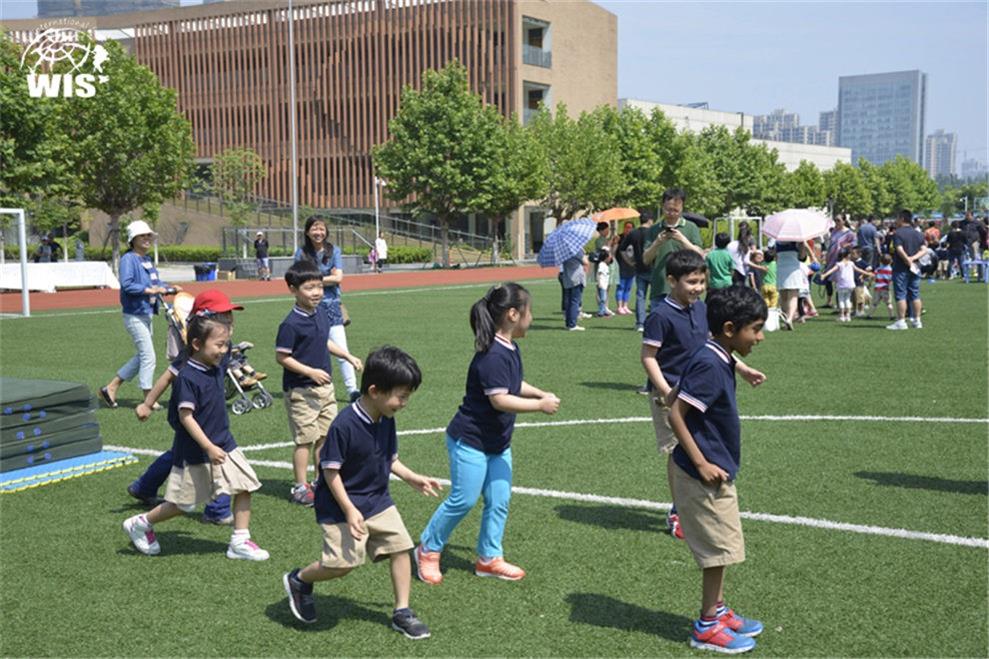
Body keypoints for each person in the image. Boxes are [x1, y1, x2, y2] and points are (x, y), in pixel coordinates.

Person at [282, 347, 441, 638]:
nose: (404, 403)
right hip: (340, 505)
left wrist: (412, 478)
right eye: (401, 396)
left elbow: (389, 458)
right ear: (375, 391)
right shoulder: (344, 425)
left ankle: (402, 611)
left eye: (408, 396)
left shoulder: (386, 417)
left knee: (401, 547)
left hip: (377, 499)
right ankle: (300, 579)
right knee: (342, 564)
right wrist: (349, 509)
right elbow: (329, 472)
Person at [416, 283, 560, 585]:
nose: (531, 318)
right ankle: (428, 548)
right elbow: (500, 399)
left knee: (499, 499)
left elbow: (513, 384)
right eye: (528, 312)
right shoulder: (493, 355)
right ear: (512, 314)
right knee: (463, 500)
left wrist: (538, 392)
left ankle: (489, 558)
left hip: (497, 442)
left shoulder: (509, 348)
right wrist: (540, 405)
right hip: (470, 441)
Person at [666, 286, 768, 654]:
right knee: (718, 550)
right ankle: (707, 625)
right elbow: (676, 411)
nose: (759, 337)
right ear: (729, 328)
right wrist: (701, 462)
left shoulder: (716, 354)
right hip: (702, 474)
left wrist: (741, 369)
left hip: (715, 467)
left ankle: (719, 609)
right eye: (755, 329)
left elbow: (675, 395)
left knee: (722, 548)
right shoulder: (710, 363)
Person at [121, 313, 269, 560]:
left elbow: (225, 341)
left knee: (245, 485)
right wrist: (208, 447)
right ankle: (141, 523)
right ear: (197, 345)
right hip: (196, 450)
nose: (224, 351)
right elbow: (186, 417)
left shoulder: (217, 363)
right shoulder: (188, 377)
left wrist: (222, 328)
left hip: (224, 442)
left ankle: (239, 541)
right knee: (183, 505)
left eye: (225, 345)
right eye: (218, 345)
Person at [127, 290, 243, 524]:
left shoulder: (222, 347)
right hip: (189, 413)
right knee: (210, 454)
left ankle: (144, 486)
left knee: (179, 455)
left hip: (210, 411)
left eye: (230, 316)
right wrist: (147, 404)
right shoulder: (191, 355)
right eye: (224, 316)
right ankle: (217, 510)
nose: (230, 321)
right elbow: (167, 377)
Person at [277, 261, 364, 507]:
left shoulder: (321, 313)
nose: (316, 292)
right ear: (293, 290)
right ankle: (300, 486)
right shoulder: (290, 323)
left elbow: (323, 342)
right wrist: (310, 371)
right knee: (305, 439)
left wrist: (346, 355)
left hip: (326, 388)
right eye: (309, 288)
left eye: (318, 287)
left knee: (325, 437)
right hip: (301, 390)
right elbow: (282, 357)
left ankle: (320, 481)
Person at [99, 220, 180, 409]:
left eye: (149, 236)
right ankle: (148, 397)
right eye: (143, 236)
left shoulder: (146, 260)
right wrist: (148, 290)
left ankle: (111, 387)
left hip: (146, 313)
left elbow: (156, 283)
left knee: (143, 355)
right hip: (134, 315)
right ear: (133, 239)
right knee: (148, 356)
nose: (147, 239)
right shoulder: (129, 259)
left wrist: (169, 289)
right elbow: (127, 285)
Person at [294, 216, 360, 402]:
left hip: (331, 306)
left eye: (322, 229)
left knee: (341, 350)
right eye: (314, 229)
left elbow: (338, 278)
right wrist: (325, 277)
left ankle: (352, 390)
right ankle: (310, 386)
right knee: (310, 350)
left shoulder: (334, 251)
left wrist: (312, 278)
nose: (318, 232)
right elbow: (297, 278)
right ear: (307, 232)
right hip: (308, 308)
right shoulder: (301, 253)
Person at [643, 188, 704, 313]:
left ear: (682, 207)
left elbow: (700, 256)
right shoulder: (653, 230)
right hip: (660, 289)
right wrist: (657, 243)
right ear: (662, 206)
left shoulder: (691, 228)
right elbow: (646, 259)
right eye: (668, 209)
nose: (672, 213)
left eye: (676, 210)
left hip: (686, 289)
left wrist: (683, 240)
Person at [886, 210, 928, 330]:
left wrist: (907, 260)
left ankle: (901, 321)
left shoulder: (897, 233)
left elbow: (899, 249)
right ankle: (917, 320)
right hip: (915, 267)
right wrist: (913, 259)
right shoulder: (918, 233)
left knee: (900, 294)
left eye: (897, 218)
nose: (896, 220)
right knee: (915, 294)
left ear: (902, 218)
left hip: (900, 267)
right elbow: (924, 249)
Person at [619, 210, 655, 331]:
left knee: (641, 296)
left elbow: (622, 249)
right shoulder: (654, 232)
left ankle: (640, 323)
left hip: (639, 267)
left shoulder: (633, 233)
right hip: (654, 267)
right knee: (655, 297)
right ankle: (655, 323)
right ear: (650, 220)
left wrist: (630, 261)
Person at [818, 248, 873, 323]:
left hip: (842, 284)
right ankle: (848, 316)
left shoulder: (839, 264)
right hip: (850, 284)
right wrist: (868, 274)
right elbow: (859, 270)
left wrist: (824, 275)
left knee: (841, 300)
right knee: (847, 299)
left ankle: (842, 316)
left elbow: (832, 270)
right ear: (848, 255)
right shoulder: (851, 263)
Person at [774, 240, 810, 331]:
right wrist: (802, 245)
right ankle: (789, 319)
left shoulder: (778, 241)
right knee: (793, 296)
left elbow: (775, 256)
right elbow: (802, 257)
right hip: (793, 269)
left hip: (781, 268)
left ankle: (786, 318)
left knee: (784, 297)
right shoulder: (796, 241)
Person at [822, 215, 855, 308]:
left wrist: (847, 245)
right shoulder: (833, 231)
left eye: (838, 220)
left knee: (840, 280)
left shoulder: (849, 233)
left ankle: (840, 303)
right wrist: (826, 256)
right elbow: (830, 244)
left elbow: (855, 243)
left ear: (844, 221)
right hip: (830, 258)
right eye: (835, 220)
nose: (836, 222)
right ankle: (829, 301)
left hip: (841, 259)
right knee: (828, 280)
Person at [561, 250, 588, 331]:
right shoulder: (576, 250)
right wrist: (584, 253)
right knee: (574, 301)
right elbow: (585, 262)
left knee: (569, 302)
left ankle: (568, 323)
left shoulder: (562, 252)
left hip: (567, 277)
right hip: (576, 277)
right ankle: (572, 324)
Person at [614, 220, 636, 315]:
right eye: (627, 227)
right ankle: (619, 306)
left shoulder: (634, 238)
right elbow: (614, 252)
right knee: (621, 286)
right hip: (621, 265)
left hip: (631, 266)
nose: (628, 229)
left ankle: (625, 306)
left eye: (630, 227)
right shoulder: (620, 238)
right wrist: (615, 243)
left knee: (628, 287)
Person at [871, 254, 894, 319]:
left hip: (877, 287)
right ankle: (891, 316)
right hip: (885, 288)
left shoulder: (878, 269)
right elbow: (891, 279)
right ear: (890, 261)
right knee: (888, 303)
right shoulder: (890, 270)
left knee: (875, 303)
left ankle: (870, 315)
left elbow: (874, 276)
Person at [595, 245, 615, 317]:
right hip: (602, 285)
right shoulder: (601, 265)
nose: (610, 258)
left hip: (605, 285)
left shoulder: (606, 265)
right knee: (603, 299)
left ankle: (603, 311)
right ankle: (601, 312)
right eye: (609, 257)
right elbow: (599, 274)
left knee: (604, 298)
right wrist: (599, 283)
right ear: (606, 258)